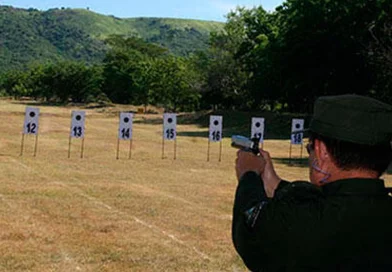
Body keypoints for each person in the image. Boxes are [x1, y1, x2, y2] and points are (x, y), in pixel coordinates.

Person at [232, 94, 392, 272]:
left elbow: (250, 227)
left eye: (310, 149)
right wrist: (274, 183)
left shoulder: (301, 224)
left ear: (321, 151)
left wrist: (248, 174)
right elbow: (326, 198)